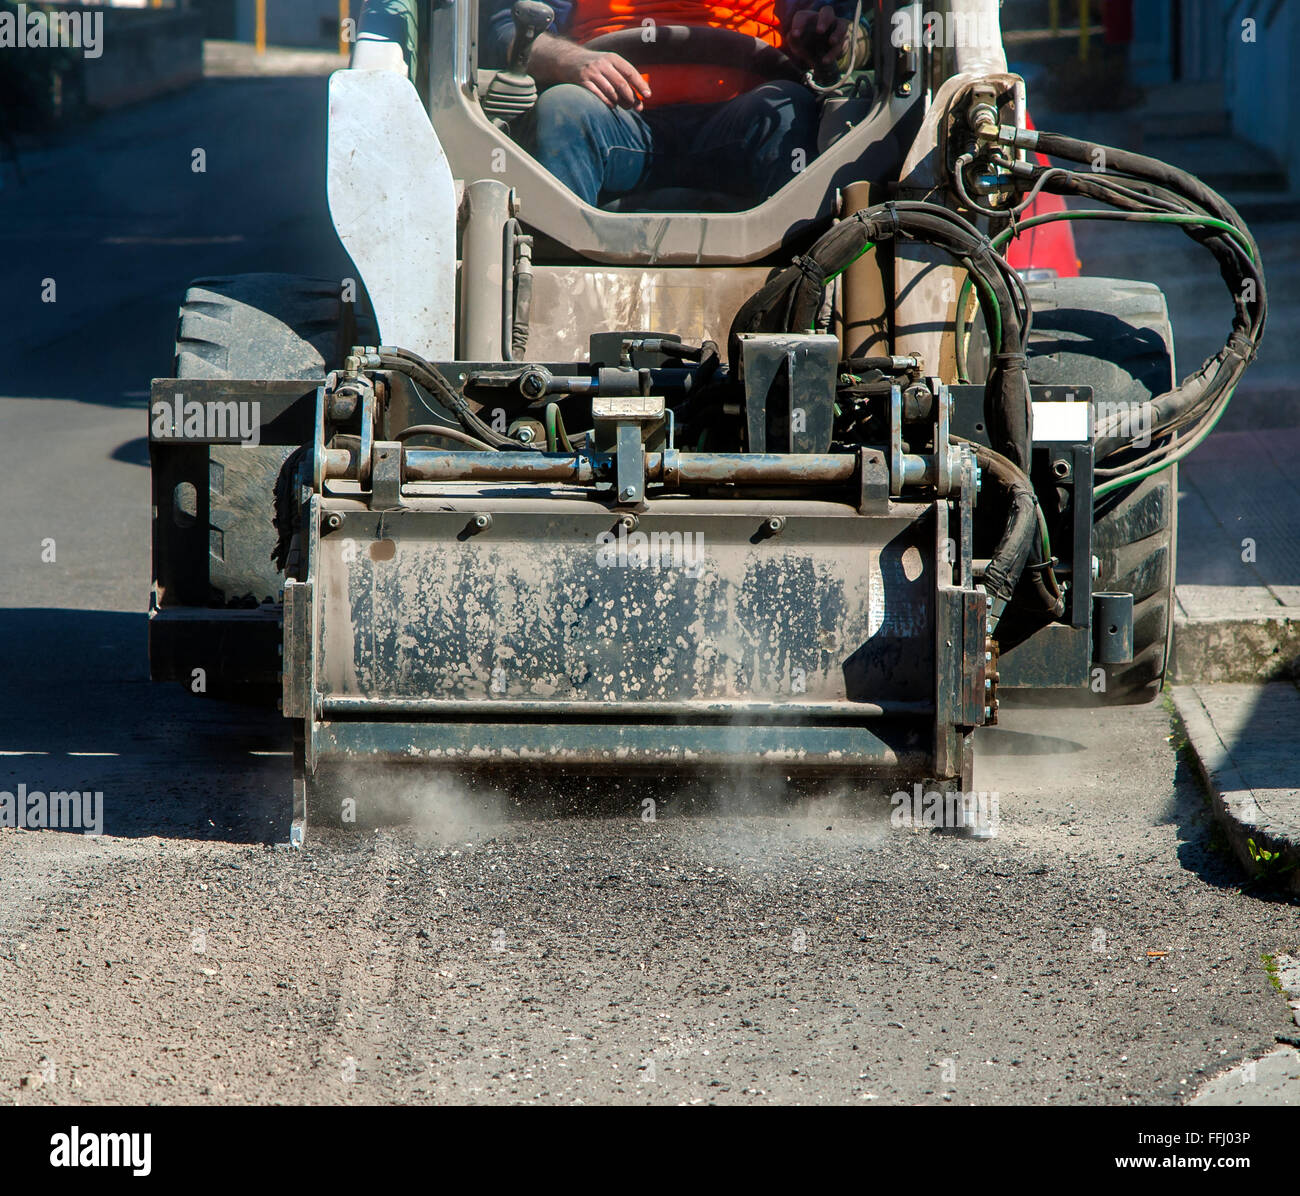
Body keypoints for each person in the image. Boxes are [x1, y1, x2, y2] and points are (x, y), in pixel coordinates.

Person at [484, 0, 852, 207]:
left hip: (743, 121)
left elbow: (847, 31)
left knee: (787, 109)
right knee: (562, 109)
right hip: (613, 117)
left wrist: (822, 37)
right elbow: (510, 30)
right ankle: (552, 290)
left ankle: (797, 293)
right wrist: (570, 61)